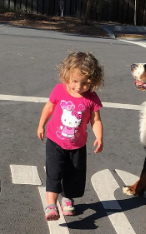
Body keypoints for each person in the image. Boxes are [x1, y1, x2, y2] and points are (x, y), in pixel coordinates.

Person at [37, 52, 104, 221]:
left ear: (93, 81)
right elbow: (49, 108)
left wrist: (99, 137)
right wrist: (41, 125)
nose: (78, 87)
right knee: (54, 172)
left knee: (73, 175)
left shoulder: (91, 98)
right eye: (74, 81)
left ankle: (67, 199)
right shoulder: (60, 90)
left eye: (85, 83)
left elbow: (96, 120)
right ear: (66, 75)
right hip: (55, 141)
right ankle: (51, 205)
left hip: (78, 145)